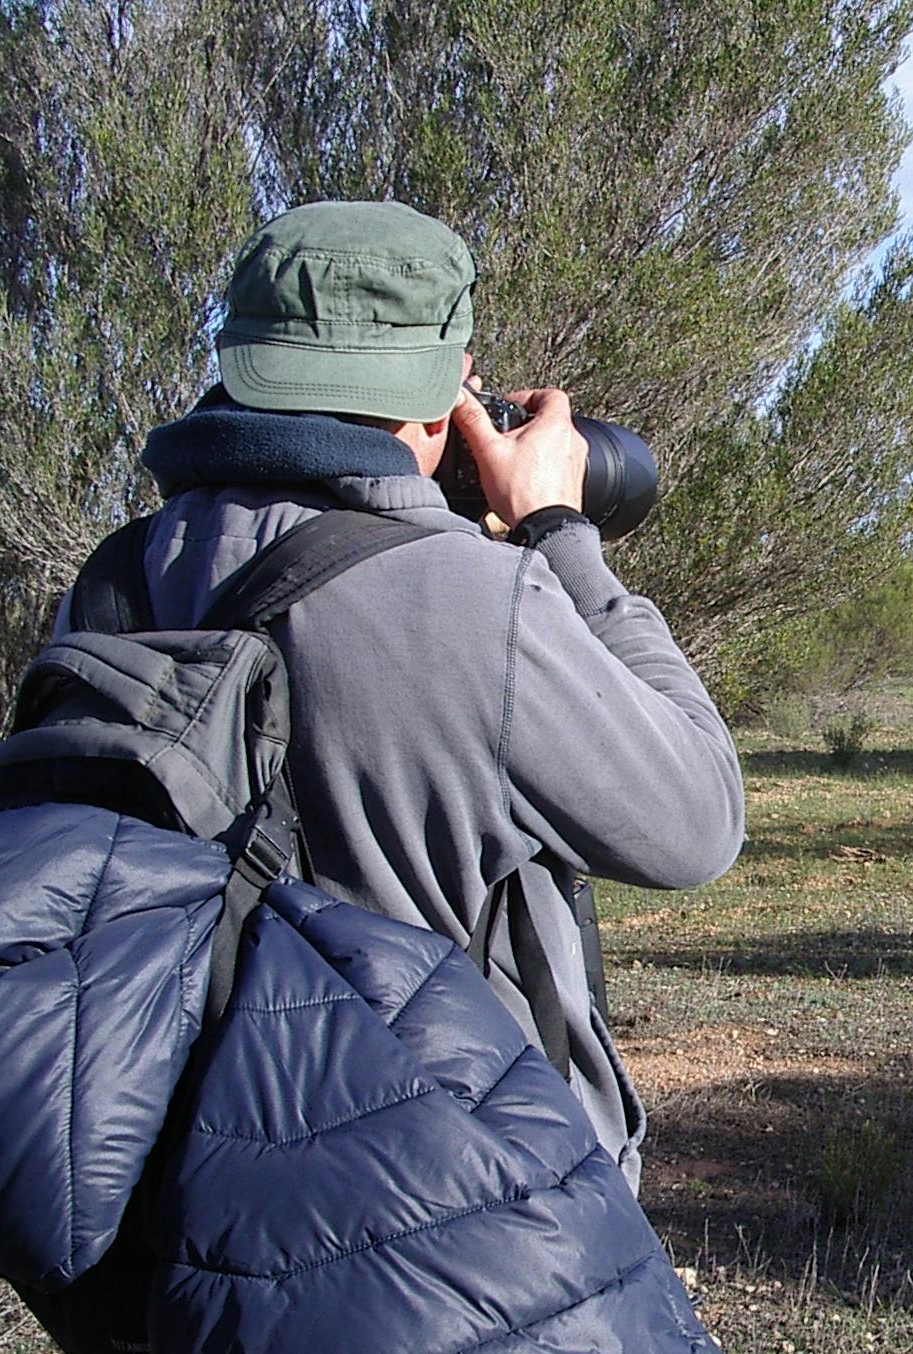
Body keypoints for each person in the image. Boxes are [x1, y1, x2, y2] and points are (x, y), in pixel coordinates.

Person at [132, 198, 745, 1197]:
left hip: (188, 1194)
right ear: (436, 400)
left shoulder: (117, 580)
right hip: (455, 1202)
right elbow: (697, 824)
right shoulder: (470, 598)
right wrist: (557, 530)